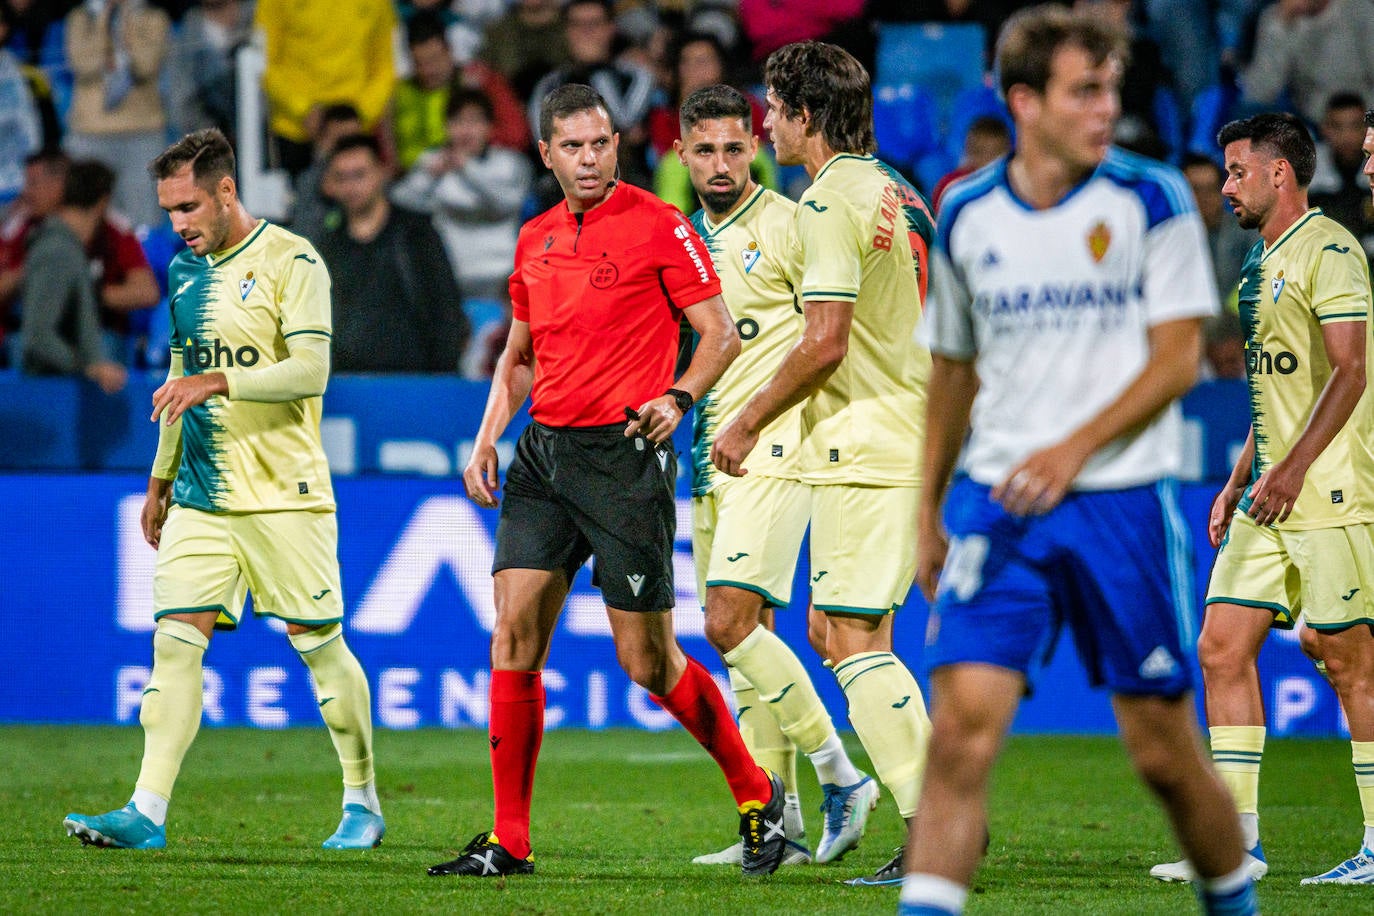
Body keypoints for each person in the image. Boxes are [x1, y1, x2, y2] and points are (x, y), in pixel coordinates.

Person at [901, 7, 1257, 915]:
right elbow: (952, 369)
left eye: (1111, 90)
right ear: (1025, 101)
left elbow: (1178, 356)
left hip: (1120, 503)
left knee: (1164, 758)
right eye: (1084, 92)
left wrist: (1071, 450)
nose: (1107, 110)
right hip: (999, 506)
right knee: (958, 742)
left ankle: (1233, 900)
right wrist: (925, 513)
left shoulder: (1150, 200)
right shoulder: (967, 211)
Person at [428, 83, 787, 879]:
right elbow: (518, 358)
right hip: (543, 456)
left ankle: (757, 792)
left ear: (616, 146)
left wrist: (678, 396)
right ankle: (510, 841)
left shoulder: (661, 226)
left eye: (602, 144)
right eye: (574, 147)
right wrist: (486, 438)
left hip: (625, 455)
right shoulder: (533, 240)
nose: (590, 160)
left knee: (647, 662)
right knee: (513, 637)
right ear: (548, 153)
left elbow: (720, 335)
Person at [62, 127, 384, 852]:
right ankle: (146, 811)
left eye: (187, 207)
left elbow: (310, 370)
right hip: (202, 496)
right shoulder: (182, 273)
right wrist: (160, 478)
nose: (177, 225)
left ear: (226, 192)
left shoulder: (292, 259)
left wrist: (220, 380)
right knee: (174, 646)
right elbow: (182, 378)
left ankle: (361, 799)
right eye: (169, 210)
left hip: (283, 493)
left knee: (321, 652)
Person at [709, 39, 935, 885]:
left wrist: (745, 423)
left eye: (774, 108)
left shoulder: (826, 202)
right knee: (837, 631)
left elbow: (825, 341)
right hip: (905, 431)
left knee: (851, 641)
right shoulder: (900, 193)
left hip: (865, 444)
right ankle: (926, 815)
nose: (767, 121)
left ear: (805, 115)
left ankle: (933, 824)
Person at [1150, 111, 1374, 888]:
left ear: (1280, 173)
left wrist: (1292, 469)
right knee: (1220, 646)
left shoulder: (1333, 250)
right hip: (1273, 490)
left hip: (1331, 486)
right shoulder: (1258, 260)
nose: (1229, 187)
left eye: (1238, 171)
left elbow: (1350, 372)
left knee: (1350, 662)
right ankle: (1235, 842)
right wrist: (1245, 475)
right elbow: (1272, 388)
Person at [674, 83, 874, 869]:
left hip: (776, 450)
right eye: (705, 150)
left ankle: (841, 776)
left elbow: (831, 340)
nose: (722, 164)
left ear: (755, 143)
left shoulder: (792, 225)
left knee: (730, 621)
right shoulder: (685, 239)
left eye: (735, 146)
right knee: (743, 647)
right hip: (707, 462)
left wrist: (778, 425)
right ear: (682, 154)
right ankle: (774, 824)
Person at [314, 133, 468, 373]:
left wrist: (442, 376)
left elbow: (446, 308)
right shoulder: (327, 247)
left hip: (415, 381)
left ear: (382, 172)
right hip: (348, 384)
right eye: (341, 177)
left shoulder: (417, 235)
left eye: (359, 175)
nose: (350, 186)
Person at [391, 87, 532, 303]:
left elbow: (508, 204)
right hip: (452, 281)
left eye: (474, 122)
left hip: (505, 282)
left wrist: (467, 169)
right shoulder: (433, 162)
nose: (466, 131)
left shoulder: (510, 162)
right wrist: (429, 176)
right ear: (446, 127)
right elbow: (398, 202)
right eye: (457, 122)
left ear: (490, 127)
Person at [17, 158, 126, 394]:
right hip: (48, 397)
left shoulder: (65, 249)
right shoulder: (58, 252)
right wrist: (89, 367)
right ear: (102, 203)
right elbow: (38, 337)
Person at [254, 0, 396, 176]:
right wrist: (303, 110)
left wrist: (360, 115)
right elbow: (263, 63)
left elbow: (385, 66)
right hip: (295, 130)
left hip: (357, 129)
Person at [63, 0, 170, 229]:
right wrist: (105, 17)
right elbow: (83, 64)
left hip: (142, 133)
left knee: (144, 221)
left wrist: (125, 19)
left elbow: (145, 65)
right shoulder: (81, 17)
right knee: (84, 214)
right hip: (89, 133)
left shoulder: (153, 16)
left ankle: (142, 264)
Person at [390, 11, 527, 172]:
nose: (429, 70)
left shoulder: (483, 81)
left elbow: (517, 135)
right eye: (420, 63)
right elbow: (397, 156)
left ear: (450, 50)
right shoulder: (401, 94)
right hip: (426, 176)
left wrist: (473, 143)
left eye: (435, 59)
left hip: (485, 168)